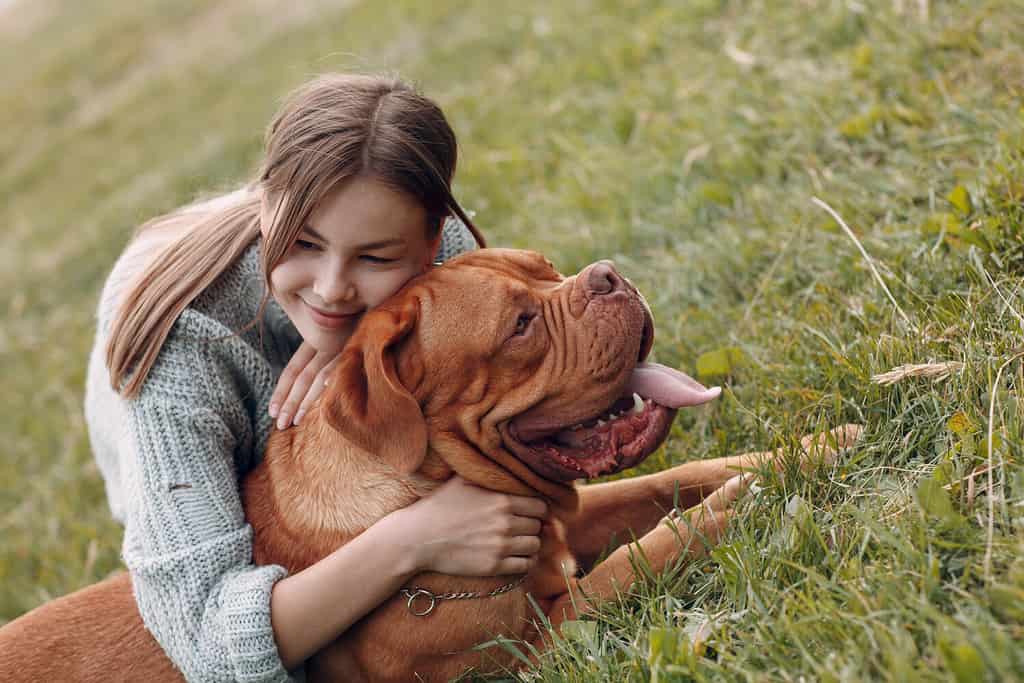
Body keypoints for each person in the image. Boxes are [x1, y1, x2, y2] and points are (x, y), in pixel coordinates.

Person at [83, 73, 549, 682]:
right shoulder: (176, 358)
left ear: (431, 239)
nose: (332, 288)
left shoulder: (441, 258)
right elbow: (209, 650)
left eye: (376, 258)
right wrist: (413, 540)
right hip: (179, 428)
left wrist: (364, 349)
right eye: (305, 242)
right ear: (264, 202)